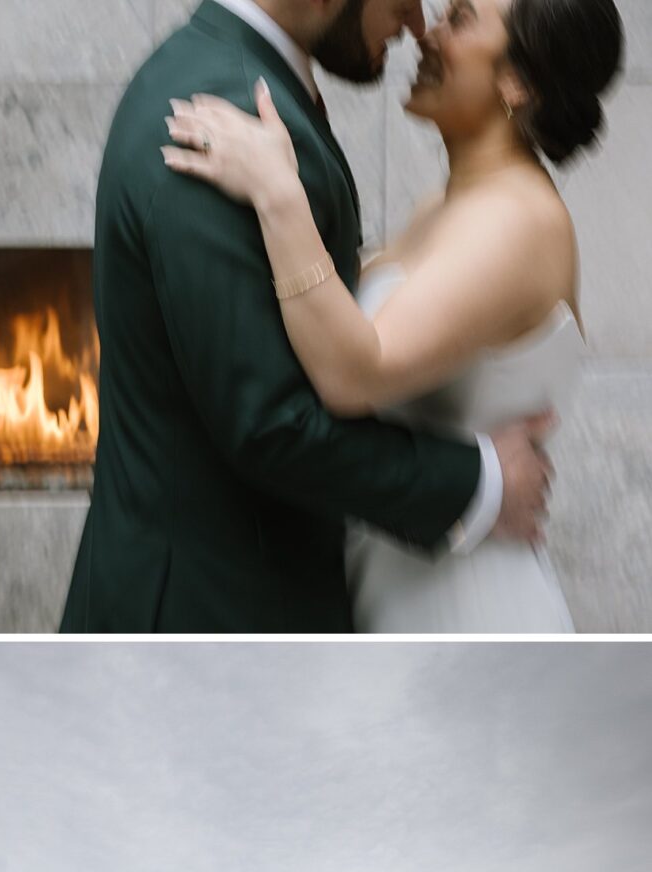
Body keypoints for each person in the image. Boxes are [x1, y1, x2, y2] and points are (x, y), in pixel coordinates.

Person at [61, 0, 553, 635]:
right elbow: (270, 424)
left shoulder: (229, 74)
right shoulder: (222, 112)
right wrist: (480, 483)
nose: (412, 25)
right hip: (206, 617)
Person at [162, 0, 624, 630]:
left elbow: (356, 375)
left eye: (460, 19)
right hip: (400, 586)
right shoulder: (448, 204)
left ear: (519, 80)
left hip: (465, 609)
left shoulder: (520, 220)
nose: (425, 35)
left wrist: (277, 193)